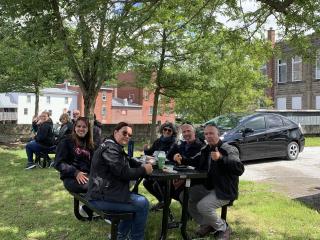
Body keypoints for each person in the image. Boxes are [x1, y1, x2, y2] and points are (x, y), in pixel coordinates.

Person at [175, 124, 244, 239]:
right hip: (209, 187)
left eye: (211, 133)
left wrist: (221, 158)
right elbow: (195, 161)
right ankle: (207, 224)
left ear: (218, 134)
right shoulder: (206, 149)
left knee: (203, 206)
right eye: (206, 134)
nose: (208, 136)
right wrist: (181, 159)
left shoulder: (229, 148)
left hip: (224, 190)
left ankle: (223, 228)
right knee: (184, 196)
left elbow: (239, 168)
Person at [86, 122, 153, 240]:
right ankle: (136, 238)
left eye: (130, 135)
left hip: (105, 193)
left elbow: (126, 161)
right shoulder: (110, 149)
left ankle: (119, 236)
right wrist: (143, 170)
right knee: (142, 203)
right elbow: (123, 172)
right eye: (124, 133)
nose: (127, 136)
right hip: (100, 197)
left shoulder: (112, 146)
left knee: (136, 203)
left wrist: (141, 164)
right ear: (115, 132)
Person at [142, 122, 177, 211]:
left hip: (168, 168)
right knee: (146, 182)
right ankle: (162, 201)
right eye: (165, 129)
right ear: (162, 130)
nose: (167, 131)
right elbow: (150, 152)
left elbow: (170, 157)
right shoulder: (158, 141)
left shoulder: (174, 142)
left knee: (157, 181)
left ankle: (165, 202)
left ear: (173, 132)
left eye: (169, 130)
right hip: (157, 167)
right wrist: (146, 150)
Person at [54, 117, 94, 193]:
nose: (81, 129)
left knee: (104, 184)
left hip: (87, 175)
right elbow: (58, 163)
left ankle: (87, 205)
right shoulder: (66, 141)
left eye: (84, 127)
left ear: (88, 129)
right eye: (79, 126)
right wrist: (75, 172)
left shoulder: (90, 144)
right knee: (91, 186)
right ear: (75, 128)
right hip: (71, 177)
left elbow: (94, 163)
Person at [166, 123, 204, 200]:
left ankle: (188, 210)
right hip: (179, 174)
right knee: (161, 184)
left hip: (194, 179)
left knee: (173, 191)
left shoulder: (200, 146)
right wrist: (174, 155)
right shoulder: (182, 144)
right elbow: (169, 156)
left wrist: (183, 180)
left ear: (194, 132)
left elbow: (194, 162)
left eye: (188, 131)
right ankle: (164, 205)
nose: (186, 133)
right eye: (184, 132)